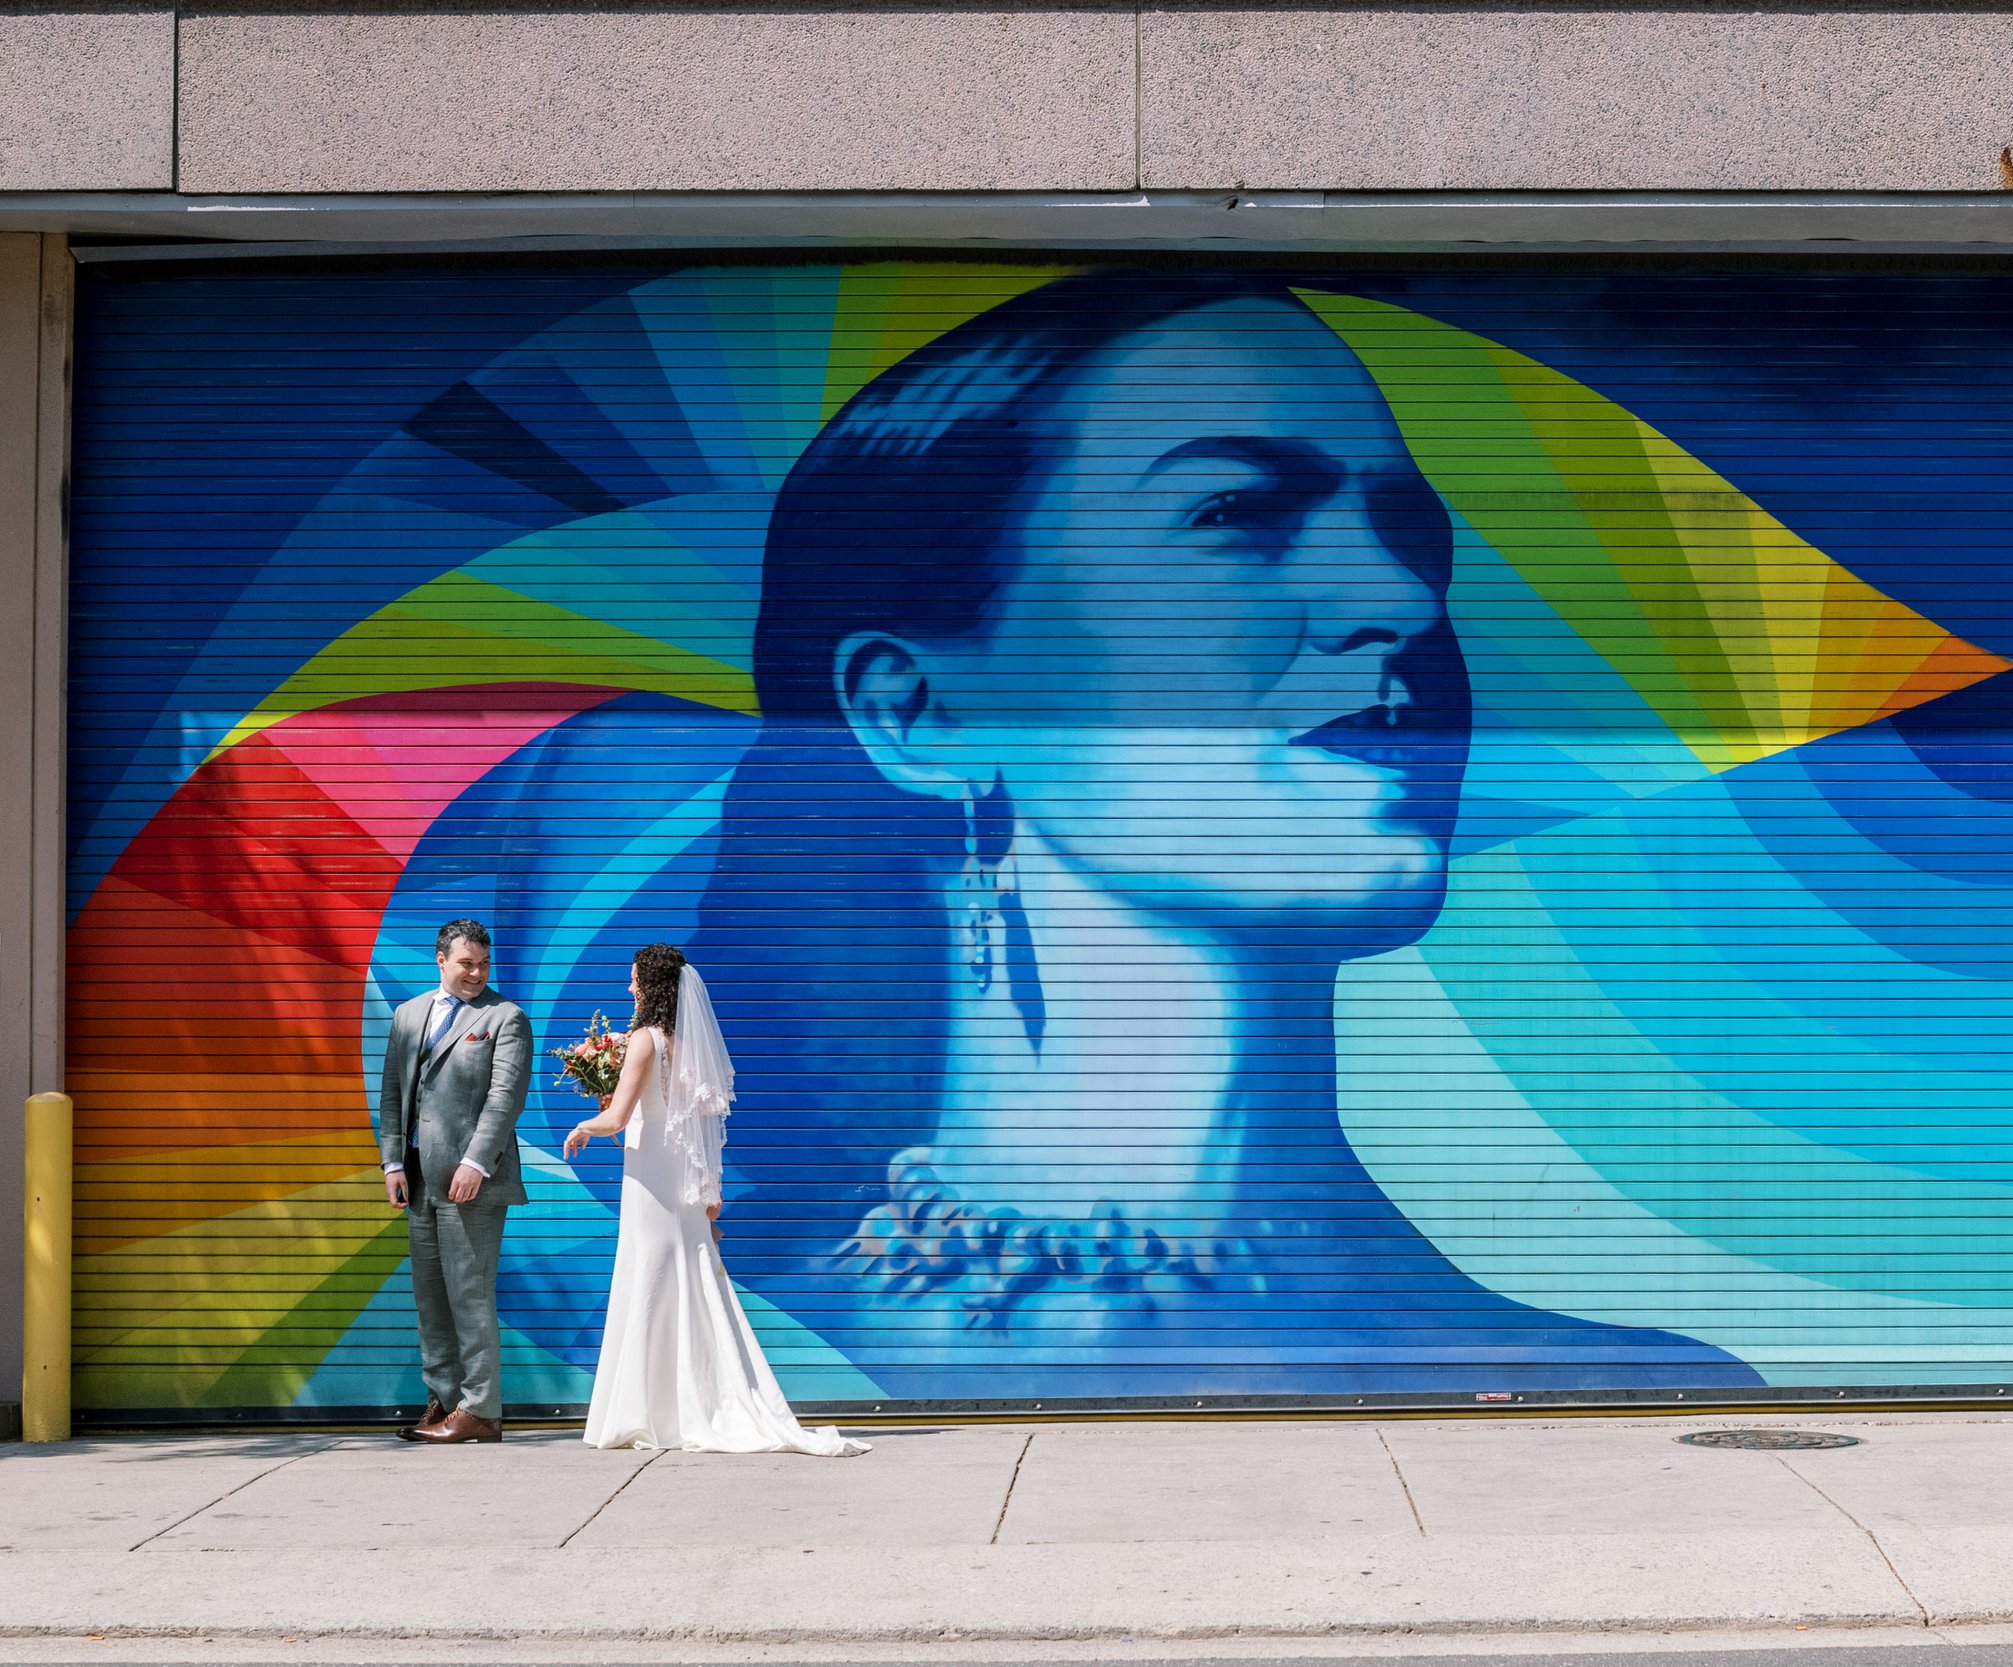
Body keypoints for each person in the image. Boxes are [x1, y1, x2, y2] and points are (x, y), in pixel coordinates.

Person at [707, 271, 1755, 1396]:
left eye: (1410, 529)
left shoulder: (1625, 1390)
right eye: (1236, 514)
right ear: (921, 713)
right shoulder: (695, 1350)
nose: (1401, 600)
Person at [564, 943, 870, 1454]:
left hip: (652, 1181)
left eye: (635, 978)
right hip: (679, 1177)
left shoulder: (644, 1041)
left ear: (653, 985)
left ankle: (650, 1410)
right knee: (688, 1276)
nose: (629, 986)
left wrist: (584, 1124)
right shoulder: (686, 1045)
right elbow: (698, 1128)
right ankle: (697, 1399)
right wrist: (710, 1196)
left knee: (652, 1277)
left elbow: (617, 1119)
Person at [376, 918, 533, 1443]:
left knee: (469, 1294)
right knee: (431, 1297)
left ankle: (481, 1411)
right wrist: (392, 1163)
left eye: (484, 963)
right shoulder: (407, 1014)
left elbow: (504, 1099)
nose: (477, 972)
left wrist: (476, 1162)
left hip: (474, 1181)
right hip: (418, 1179)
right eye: (467, 963)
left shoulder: (505, 1016)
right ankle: (443, 1402)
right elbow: (394, 1094)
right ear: (440, 960)